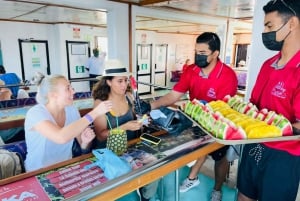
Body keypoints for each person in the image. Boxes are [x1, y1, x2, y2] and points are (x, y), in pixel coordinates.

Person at [140, 32, 238, 201]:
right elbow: (173, 96)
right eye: (196, 51)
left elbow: (223, 109)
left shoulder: (228, 76)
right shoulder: (192, 70)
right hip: (197, 121)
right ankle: (193, 177)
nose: (197, 56)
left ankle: (217, 189)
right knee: (199, 149)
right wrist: (150, 105)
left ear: (215, 54)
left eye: (202, 53)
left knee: (220, 158)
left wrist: (197, 112)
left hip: (219, 123)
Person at [237, 1, 300, 201]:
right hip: (253, 144)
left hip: (283, 157)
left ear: (292, 24)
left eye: (269, 26)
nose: (264, 32)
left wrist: (271, 128)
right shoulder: (268, 65)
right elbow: (253, 105)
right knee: (243, 196)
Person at [92, 59, 157, 201]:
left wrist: (143, 121)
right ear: (108, 82)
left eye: (126, 80)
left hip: (130, 147)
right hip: (110, 152)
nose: (124, 85)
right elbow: (101, 136)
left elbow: (138, 117)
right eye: (119, 81)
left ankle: (147, 197)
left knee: (154, 165)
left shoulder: (129, 97)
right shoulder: (101, 103)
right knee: (129, 178)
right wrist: (124, 127)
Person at [24, 74, 112, 172]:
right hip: (38, 172)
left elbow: (83, 145)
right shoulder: (36, 113)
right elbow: (61, 137)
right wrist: (95, 113)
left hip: (65, 168)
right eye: (68, 88)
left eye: (71, 88)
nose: (73, 91)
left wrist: (85, 142)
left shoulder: (71, 110)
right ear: (53, 94)